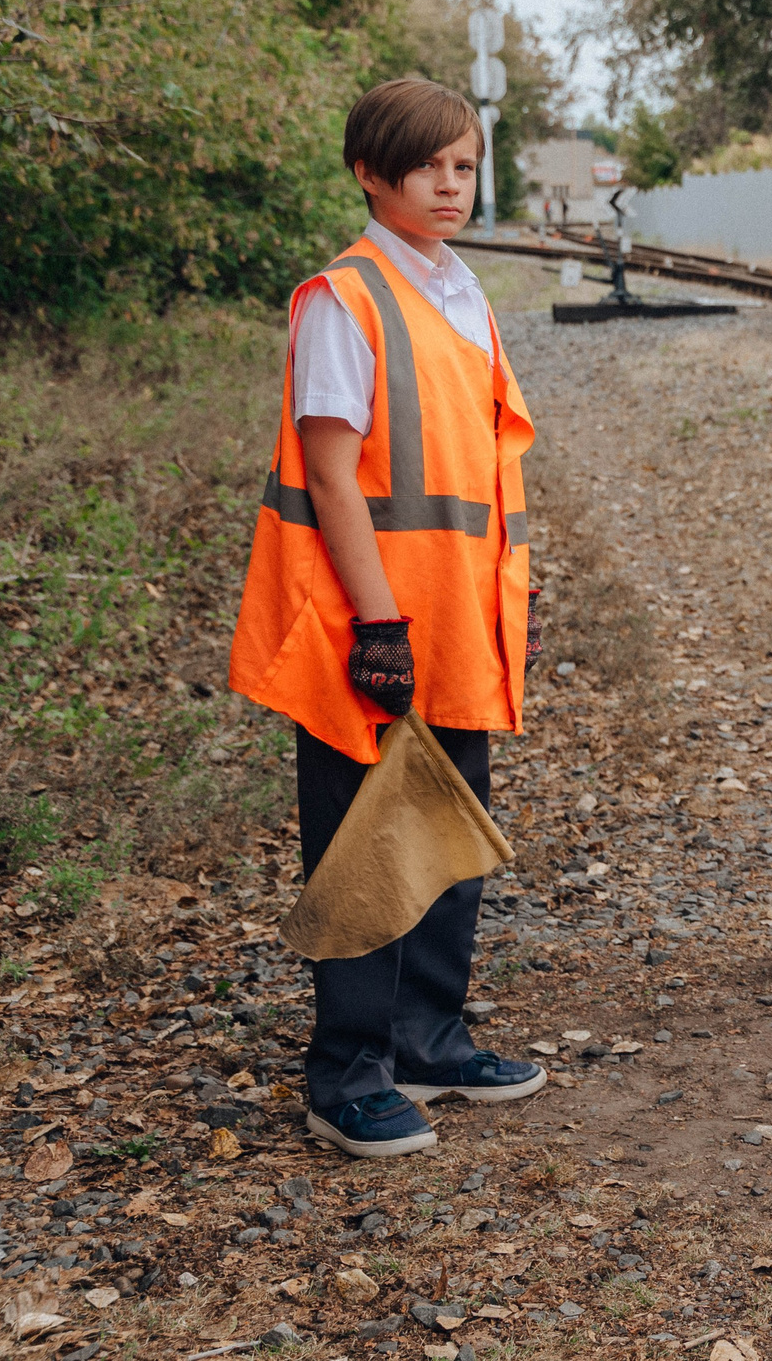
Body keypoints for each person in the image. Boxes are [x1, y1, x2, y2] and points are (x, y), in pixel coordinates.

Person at [229, 78, 547, 1158]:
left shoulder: (460, 292)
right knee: (363, 842)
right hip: (367, 624)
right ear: (371, 172)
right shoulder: (345, 297)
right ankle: (346, 1070)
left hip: (457, 620)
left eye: (464, 165)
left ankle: (427, 1038)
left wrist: (510, 603)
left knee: (443, 824)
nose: (450, 184)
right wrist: (378, 626)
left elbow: (474, 478)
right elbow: (331, 476)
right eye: (427, 166)